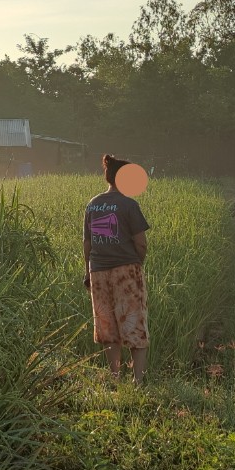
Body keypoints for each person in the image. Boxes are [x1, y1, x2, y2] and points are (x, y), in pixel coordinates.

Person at [82, 154, 151, 384]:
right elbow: (140, 242)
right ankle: (138, 381)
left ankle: (114, 378)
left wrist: (87, 272)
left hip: (98, 272)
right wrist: (137, 262)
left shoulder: (93, 204)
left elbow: (88, 244)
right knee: (134, 324)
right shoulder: (129, 204)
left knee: (107, 327)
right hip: (126, 271)